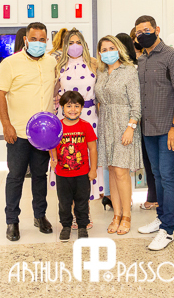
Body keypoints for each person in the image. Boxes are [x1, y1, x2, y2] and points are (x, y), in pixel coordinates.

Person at [0, 22, 57, 241]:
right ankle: (12, 221)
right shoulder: (10, 63)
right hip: (18, 132)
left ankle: (40, 216)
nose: (38, 43)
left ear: (46, 40)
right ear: (25, 40)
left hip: (44, 135)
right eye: (34, 39)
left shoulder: (51, 62)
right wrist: (6, 124)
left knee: (40, 176)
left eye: (42, 40)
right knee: (16, 177)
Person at [134, 15, 174, 251]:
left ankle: (168, 230)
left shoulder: (173, 56)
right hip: (148, 128)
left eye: (146, 30)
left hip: (168, 129)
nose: (142, 35)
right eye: (138, 32)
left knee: (168, 176)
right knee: (156, 176)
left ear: (157, 30)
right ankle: (161, 218)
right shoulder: (142, 59)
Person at [52, 28, 102, 228]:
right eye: (71, 42)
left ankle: (84, 212)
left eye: (78, 42)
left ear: (84, 44)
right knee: (68, 159)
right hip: (65, 117)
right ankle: (71, 213)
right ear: (65, 45)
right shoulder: (58, 65)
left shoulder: (94, 63)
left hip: (89, 116)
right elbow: (53, 91)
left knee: (86, 159)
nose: (75, 46)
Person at [95, 35, 142, 235]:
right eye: (104, 50)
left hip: (124, 125)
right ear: (100, 53)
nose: (108, 52)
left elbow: (136, 104)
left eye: (111, 48)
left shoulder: (130, 71)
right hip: (106, 125)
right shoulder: (101, 72)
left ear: (119, 49)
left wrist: (130, 127)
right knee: (112, 171)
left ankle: (127, 216)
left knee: (122, 172)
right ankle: (116, 214)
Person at [50, 91, 97, 242]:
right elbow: (52, 145)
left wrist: (93, 169)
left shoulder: (86, 126)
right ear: (62, 107)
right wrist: (53, 159)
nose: (73, 109)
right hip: (63, 174)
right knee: (64, 202)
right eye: (69, 106)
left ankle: (82, 226)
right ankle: (66, 226)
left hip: (82, 174)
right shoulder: (57, 126)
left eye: (76, 106)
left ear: (82, 108)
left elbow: (93, 149)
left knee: (82, 202)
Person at [129, 27, 157, 211]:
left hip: (149, 117)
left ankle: (154, 197)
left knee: (152, 161)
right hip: (137, 118)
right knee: (146, 161)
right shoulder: (133, 63)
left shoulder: (148, 60)